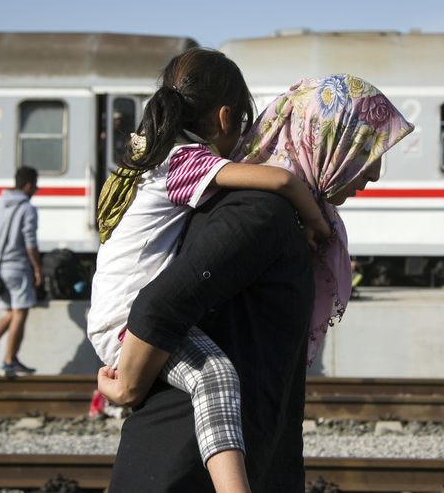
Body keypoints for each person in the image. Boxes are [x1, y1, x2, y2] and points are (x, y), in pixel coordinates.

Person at [99, 74, 413, 491]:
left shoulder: (284, 215)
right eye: (366, 151)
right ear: (327, 140)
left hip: (213, 459)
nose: (373, 173)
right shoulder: (260, 212)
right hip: (184, 467)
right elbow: (158, 306)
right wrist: (129, 385)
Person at [87, 47, 330, 493]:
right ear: (223, 118)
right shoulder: (183, 160)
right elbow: (280, 180)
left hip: (116, 313)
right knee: (215, 376)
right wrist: (315, 219)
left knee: (211, 375)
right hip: (126, 319)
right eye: (241, 124)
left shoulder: (150, 158)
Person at [0, 166, 42, 378]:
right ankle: (8, 361)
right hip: (18, 266)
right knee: (20, 312)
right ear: (28, 185)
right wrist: (37, 269)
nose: (36, 190)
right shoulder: (27, 209)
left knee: (9, 313)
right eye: (35, 186)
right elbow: (30, 243)